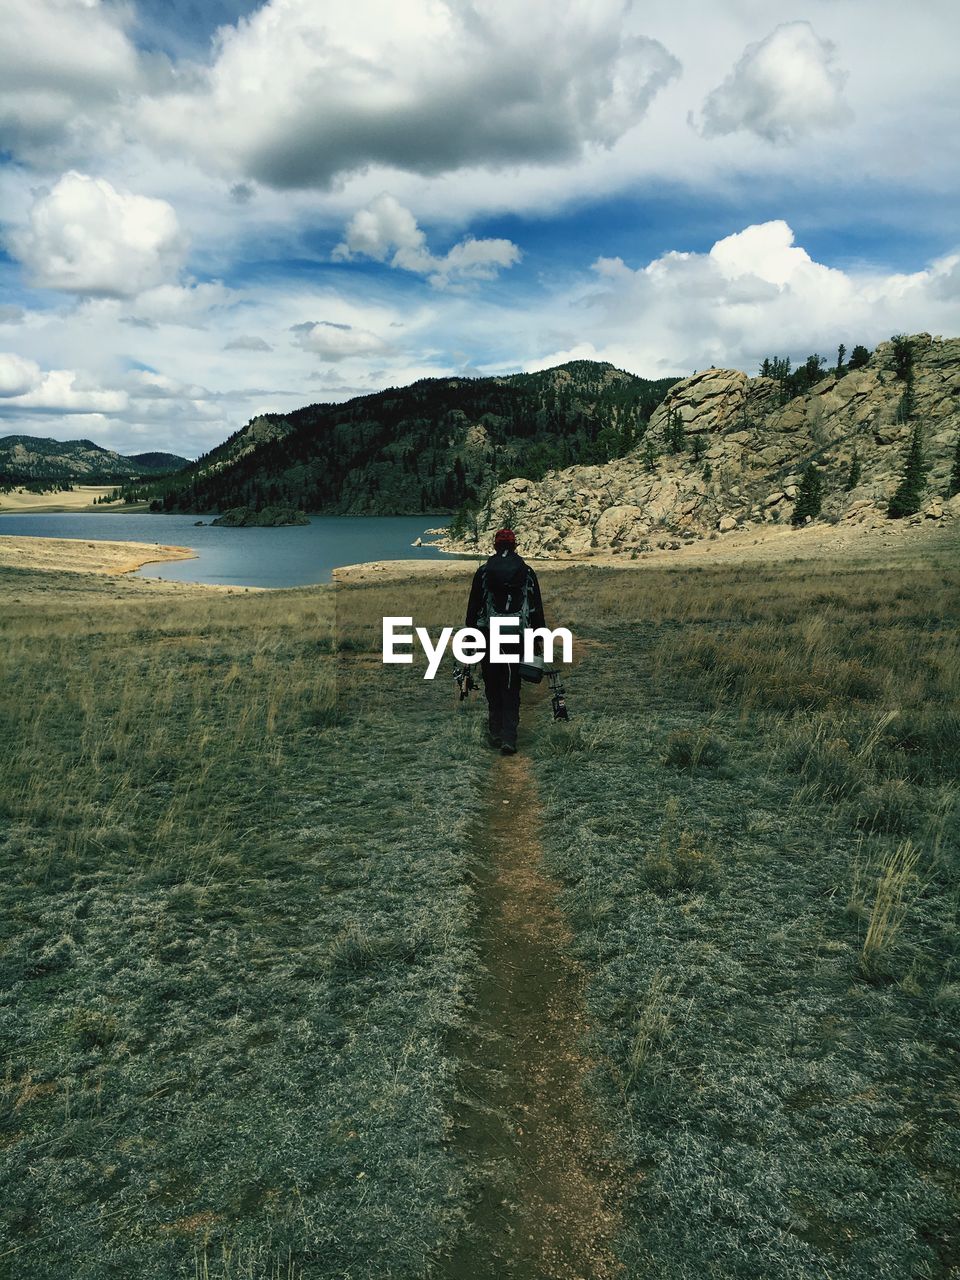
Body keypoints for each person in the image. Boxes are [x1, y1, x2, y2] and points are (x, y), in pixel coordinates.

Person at [464, 528, 546, 755]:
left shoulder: (483, 572)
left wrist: (471, 636)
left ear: (495, 546)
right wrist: (538, 639)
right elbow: (536, 608)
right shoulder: (527, 572)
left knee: (492, 682)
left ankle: (496, 731)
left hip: (489, 636)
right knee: (511, 683)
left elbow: (473, 608)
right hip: (517, 637)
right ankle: (509, 736)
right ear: (515, 545)